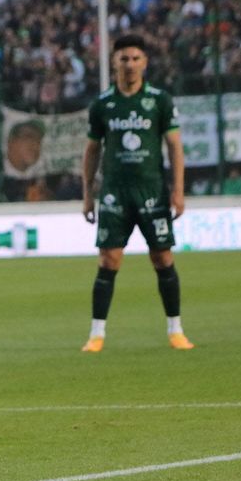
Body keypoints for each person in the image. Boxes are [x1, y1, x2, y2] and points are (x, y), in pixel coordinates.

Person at [81, 34, 194, 353]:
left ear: (144, 63)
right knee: (108, 259)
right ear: (114, 62)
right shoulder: (103, 104)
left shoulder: (159, 101)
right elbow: (92, 151)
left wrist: (179, 191)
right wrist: (88, 194)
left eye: (135, 58)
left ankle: (176, 329)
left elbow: (174, 146)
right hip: (115, 192)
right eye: (124, 59)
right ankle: (96, 335)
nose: (129, 64)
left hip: (152, 191)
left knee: (162, 257)